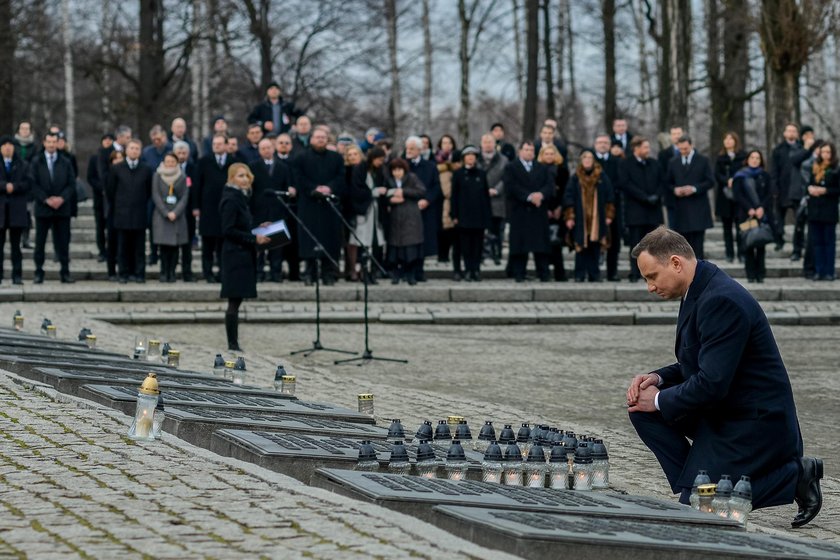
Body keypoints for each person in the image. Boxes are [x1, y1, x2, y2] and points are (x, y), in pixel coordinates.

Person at [626, 226, 823, 528]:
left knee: (700, 508)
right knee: (642, 409)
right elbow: (695, 362)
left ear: (676, 263)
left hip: (754, 422)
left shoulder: (722, 300)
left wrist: (659, 399)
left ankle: (794, 476)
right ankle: (696, 481)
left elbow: (712, 383)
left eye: (652, 276)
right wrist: (657, 379)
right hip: (723, 409)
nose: (649, 287)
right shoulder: (697, 289)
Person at [219, 163, 272, 351]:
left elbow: (241, 226)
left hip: (242, 253)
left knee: (237, 300)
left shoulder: (241, 197)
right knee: (234, 300)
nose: (245, 179)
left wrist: (258, 228)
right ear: (232, 178)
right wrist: (254, 237)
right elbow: (228, 230)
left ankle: (234, 342)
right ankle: (232, 344)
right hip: (235, 255)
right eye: (241, 176)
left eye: (247, 176)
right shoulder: (231, 199)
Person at [292, 127, 345, 285]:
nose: (321, 140)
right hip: (309, 205)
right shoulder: (301, 157)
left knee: (330, 239)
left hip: (329, 206)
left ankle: (328, 274)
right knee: (310, 239)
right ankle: (310, 273)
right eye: (317, 137)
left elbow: (340, 176)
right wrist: (313, 189)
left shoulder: (336, 158)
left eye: (323, 137)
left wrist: (329, 188)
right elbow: (298, 177)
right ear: (311, 139)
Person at [29, 132, 75, 284]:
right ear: (44, 143)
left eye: (54, 142)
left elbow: (71, 184)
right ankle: (38, 272)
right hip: (43, 208)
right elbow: (33, 184)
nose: (51, 145)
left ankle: (65, 272)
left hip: (62, 208)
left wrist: (61, 198)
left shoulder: (65, 161)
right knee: (40, 243)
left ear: (57, 143)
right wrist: (46, 199)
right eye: (48, 142)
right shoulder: (36, 162)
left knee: (63, 242)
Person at [504, 141, 554, 282]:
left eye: (531, 150)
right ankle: (519, 273)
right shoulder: (511, 167)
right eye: (526, 150)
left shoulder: (542, 168)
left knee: (541, 245)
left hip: (538, 211)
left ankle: (543, 273)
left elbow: (549, 186)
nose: (529, 152)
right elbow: (510, 187)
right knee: (520, 245)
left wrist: (541, 195)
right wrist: (529, 197)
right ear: (520, 151)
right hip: (520, 211)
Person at [563, 149, 615, 282]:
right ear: (581, 160)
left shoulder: (601, 177)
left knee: (595, 246)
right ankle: (579, 274)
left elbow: (610, 197)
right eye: (584, 157)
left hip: (597, 218)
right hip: (581, 218)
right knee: (580, 246)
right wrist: (570, 216)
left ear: (593, 160)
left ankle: (594, 274)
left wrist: (609, 215)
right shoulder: (575, 177)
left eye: (590, 158)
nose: (587, 160)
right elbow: (568, 197)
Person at [108, 139, 152, 283]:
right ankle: (124, 273)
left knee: (139, 247)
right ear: (126, 150)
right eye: (131, 148)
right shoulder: (117, 168)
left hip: (139, 214)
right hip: (122, 214)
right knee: (123, 247)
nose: (134, 151)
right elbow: (111, 191)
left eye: (137, 149)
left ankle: (139, 273)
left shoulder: (146, 169)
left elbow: (149, 191)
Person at [249, 138, 293, 282]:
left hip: (277, 210)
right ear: (259, 150)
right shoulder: (253, 166)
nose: (266, 150)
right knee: (259, 244)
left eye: (268, 147)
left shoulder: (282, 167)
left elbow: (287, 187)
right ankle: (258, 272)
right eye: (263, 148)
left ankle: (276, 273)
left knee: (277, 246)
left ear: (273, 148)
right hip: (259, 210)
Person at [620, 137, 662, 282]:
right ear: (636, 149)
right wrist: (644, 197)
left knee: (653, 245)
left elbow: (662, 182)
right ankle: (635, 272)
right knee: (636, 244)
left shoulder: (655, 164)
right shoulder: (626, 164)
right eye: (645, 147)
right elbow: (626, 184)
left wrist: (656, 195)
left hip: (653, 211)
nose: (648, 150)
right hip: (635, 212)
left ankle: (651, 273)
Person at [664, 135, 714, 259]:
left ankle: (699, 273)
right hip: (681, 209)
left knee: (698, 246)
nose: (683, 151)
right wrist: (675, 190)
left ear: (691, 146)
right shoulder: (673, 162)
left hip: (698, 208)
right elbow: (668, 183)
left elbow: (710, 181)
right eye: (680, 149)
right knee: (682, 247)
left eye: (685, 149)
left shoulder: (703, 160)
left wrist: (694, 189)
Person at [195, 134, 233, 283]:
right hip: (208, 209)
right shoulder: (204, 161)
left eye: (219, 144)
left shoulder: (233, 161)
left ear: (226, 145)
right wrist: (196, 206)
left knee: (223, 245)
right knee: (208, 245)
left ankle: (223, 273)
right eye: (214, 144)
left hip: (226, 209)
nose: (216, 146)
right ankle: (208, 272)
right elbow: (197, 185)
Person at [450, 145, 491, 281]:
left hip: (479, 216)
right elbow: (454, 196)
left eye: (473, 155)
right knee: (465, 246)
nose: (470, 158)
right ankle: (467, 270)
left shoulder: (481, 174)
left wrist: (487, 216)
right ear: (463, 158)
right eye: (468, 155)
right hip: (463, 216)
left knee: (478, 246)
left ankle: (476, 270)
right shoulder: (458, 174)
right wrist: (454, 215)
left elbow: (486, 197)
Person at [732, 150, 772, 283]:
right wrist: (749, 208)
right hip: (746, 216)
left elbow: (769, 194)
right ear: (747, 159)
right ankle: (750, 274)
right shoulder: (740, 176)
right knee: (748, 243)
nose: (755, 160)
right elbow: (738, 195)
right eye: (752, 157)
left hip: (761, 215)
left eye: (757, 158)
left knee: (760, 243)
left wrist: (761, 208)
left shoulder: (765, 175)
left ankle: (761, 274)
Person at [348, 147, 387, 283]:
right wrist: (373, 192)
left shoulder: (380, 171)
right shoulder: (361, 169)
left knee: (375, 243)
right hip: (364, 212)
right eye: (379, 160)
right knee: (362, 242)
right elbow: (357, 190)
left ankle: (372, 272)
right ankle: (362, 271)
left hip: (375, 212)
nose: (381, 162)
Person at [405, 136, 441, 282]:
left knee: (423, 240)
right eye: (407, 148)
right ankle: (408, 270)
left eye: (412, 148)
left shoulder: (430, 166)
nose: (409, 151)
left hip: (425, 209)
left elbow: (436, 187)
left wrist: (427, 200)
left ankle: (419, 270)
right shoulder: (403, 165)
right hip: (407, 209)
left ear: (420, 150)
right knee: (408, 240)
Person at [384, 158, 425, 285]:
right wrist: (390, 200)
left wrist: (404, 192)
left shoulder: (412, 178)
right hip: (395, 219)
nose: (397, 173)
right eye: (394, 170)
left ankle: (410, 274)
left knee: (411, 249)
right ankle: (396, 274)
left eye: (399, 170)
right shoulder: (389, 181)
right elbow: (384, 196)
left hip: (410, 218)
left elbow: (421, 191)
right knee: (395, 250)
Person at [771, 123, 811, 254]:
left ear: (797, 134)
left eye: (794, 131)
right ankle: (779, 240)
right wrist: (774, 188)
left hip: (797, 189)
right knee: (779, 219)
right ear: (784, 133)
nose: (791, 133)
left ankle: (798, 243)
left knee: (799, 218)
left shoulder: (803, 148)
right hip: (781, 189)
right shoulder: (778, 150)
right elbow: (774, 171)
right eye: (789, 131)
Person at [151, 152, 189, 283]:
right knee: (164, 247)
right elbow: (155, 195)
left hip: (177, 216)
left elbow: (185, 196)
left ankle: (172, 272)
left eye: (172, 161)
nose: (170, 164)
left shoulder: (182, 176)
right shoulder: (157, 175)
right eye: (167, 161)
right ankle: (163, 271)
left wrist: (175, 212)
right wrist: (165, 212)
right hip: (162, 216)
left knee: (175, 247)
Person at [805, 142, 840, 281]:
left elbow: (837, 190)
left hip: (829, 211)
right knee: (817, 242)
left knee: (828, 242)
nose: (825, 154)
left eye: (828, 152)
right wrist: (810, 189)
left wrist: (825, 190)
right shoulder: (815, 167)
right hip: (815, 210)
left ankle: (829, 271)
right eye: (823, 152)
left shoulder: (836, 169)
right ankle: (818, 271)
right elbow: (807, 184)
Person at [0, 136, 30, 284]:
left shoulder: (22, 164)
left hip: (16, 211)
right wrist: (4, 186)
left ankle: (17, 275)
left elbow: (28, 183)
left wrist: (15, 187)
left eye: (10, 145)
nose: (7, 147)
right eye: (4, 145)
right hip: (1, 211)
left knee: (16, 247)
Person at [714, 132, 747, 263]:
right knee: (727, 228)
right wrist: (726, 180)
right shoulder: (720, 157)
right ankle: (729, 254)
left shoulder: (742, 156)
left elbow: (745, 172)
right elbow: (717, 174)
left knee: (740, 226)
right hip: (724, 196)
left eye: (730, 139)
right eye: (726, 139)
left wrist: (735, 179)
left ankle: (742, 253)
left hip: (739, 196)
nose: (728, 141)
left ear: (735, 141)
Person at [538, 143, 569, 282]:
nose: (549, 156)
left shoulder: (563, 170)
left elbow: (566, 191)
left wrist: (560, 207)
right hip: (542, 210)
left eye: (552, 153)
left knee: (557, 243)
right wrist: (545, 209)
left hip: (558, 210)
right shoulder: (537, 169)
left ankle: (559, 273)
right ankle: (543, 273)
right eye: (547, 154)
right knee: (542, 243)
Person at [594, 134, 622, 281]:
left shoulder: (616, 161)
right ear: (595, 144)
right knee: (594, 240)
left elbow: (621, 181)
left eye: (606, 142)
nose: (603, 145)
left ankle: (613, 272)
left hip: (613, 206)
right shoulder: (590, 160)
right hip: (593, 207)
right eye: (600, 142)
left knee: (614, 241)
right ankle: (594, 272)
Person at [477, 133, 508, 265]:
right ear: (481, 143)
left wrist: (497, 189)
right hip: (480, 200)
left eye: (490, 142)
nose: (487, 144)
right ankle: (482, 255)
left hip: (498, 200)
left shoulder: (503, 160)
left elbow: (506, 178)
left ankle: (496, 254)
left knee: (497, 230)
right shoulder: (476, 159)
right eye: (485, 142)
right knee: (480, 230)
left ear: (495, 144)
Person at [435, 134, 461, 279]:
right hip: (442, 198)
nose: (446, 145)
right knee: (442, 228)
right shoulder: (437, 161)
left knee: (453, 229)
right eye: (444, 142)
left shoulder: (457, 159)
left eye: (449, 142)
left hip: (454, 198)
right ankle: (442, 254)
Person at [173, 141, 197, 281]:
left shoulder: (194, 168)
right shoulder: (169, 168)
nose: (181, 156)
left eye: (184, 153)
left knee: (187, 244)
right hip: (173, 211)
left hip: (188, 212)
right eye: (179, 153)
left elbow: (196, 189)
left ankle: (187, 272)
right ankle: (172, 271)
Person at [88, 134, 113, 262]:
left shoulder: (115, 157)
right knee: (100, 226)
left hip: (111, 197)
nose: (107, 142)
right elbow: (90, 177)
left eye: (110, 140)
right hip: (99, 197)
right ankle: (102, 250)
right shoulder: (94, 158)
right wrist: (101, 188)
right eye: (105, 140)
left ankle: (110, 250)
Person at [104, 150, 125, 280]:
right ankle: (111, 271)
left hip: (125, 213)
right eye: (115, 159)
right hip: (113, 211)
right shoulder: (109, 174)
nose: (118, 161)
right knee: (112, 244)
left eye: (120, 158)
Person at [658, 125, 684, 227]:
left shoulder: (691, 152)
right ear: (670, 136)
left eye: (679, 134)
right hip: (671, 196)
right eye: (674, 134)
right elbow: (662, 175)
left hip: (689, 198)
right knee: (673, 228)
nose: (677, 136)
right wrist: (673, 189)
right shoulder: (663, 154)